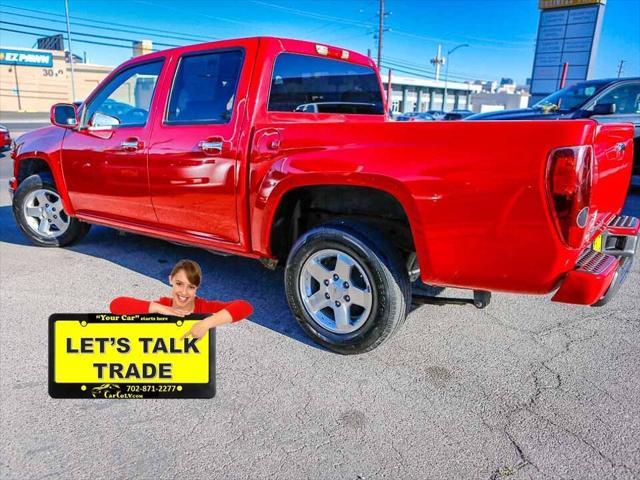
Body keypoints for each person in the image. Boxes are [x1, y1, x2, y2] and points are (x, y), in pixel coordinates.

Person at [110, 259, 253, 339]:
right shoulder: (163, 306)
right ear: (170, 280)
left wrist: (206, 324)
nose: (184, 292)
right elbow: (116, 305)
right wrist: (158, 307)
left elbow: (244, 306)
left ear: (197, 287)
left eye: (191, 287)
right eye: (179, 284)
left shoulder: (204, 307)